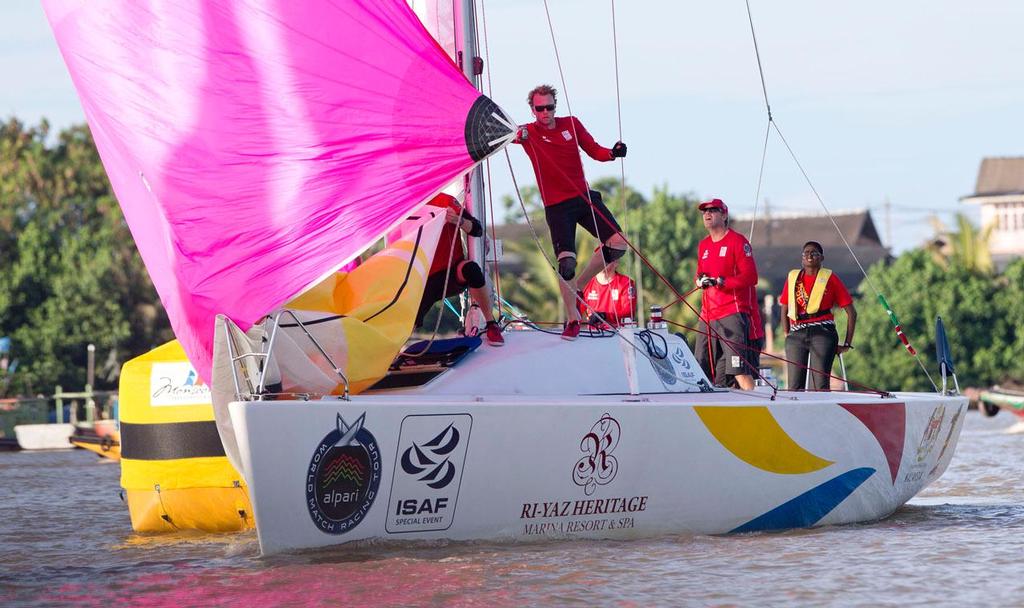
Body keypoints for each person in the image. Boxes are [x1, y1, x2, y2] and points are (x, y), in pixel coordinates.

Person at [515, 84, 628, 340]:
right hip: (557, 207)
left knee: (619, 243)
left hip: (583, 198)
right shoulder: (528, 132)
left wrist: (612, 153)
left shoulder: (571, 124)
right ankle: (572, 320)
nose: (545, 112)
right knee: (567, 263)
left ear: (556, 106)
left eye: (549, 107)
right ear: (532, 110)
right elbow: (502, 136)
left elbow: (595, 150)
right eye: (539, 108)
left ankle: (578, 287)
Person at [415, 193, 504, 346]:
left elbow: (477, 229)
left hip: (450, 272)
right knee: (409, 316)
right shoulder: (400, 206)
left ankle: (491, 323)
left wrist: (458, 220)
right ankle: (392, 354)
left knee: (472, 269)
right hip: (422, 279)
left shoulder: (444, 200)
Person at [693, 198, 758, 390]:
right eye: (704, 211)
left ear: (724, 215)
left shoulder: (738, 241)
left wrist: (724, 282)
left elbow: (751, 277)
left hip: (732, 314)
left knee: (738, 369)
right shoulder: (703, 245)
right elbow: (699, 273)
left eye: (713, 210)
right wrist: (699, 281)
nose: (707, 214)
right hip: (707, 316)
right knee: (700, 366)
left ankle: (757, 409)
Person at [778, 241, 857, 390]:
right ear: (802, 258)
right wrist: (787, 333)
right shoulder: (793, 277)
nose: (809, 255)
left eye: (814, 253)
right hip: (797, 332)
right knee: (794, 386)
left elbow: (852, 312)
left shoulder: (830, 278)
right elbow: (784, 307)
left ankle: (821, 412)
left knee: (820, 384)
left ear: (822, 258)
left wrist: (847, 343)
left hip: (823, 331)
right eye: (806, 253)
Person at [578, 257, 636, 329]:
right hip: (593, 335)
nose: (602, 263)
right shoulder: (586, 284)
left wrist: (604, 316)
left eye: (605, 258)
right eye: (600, 259)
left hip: (618, 334)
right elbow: (578, 311)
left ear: (616, 263)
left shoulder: (626, 283)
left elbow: (629, 313)